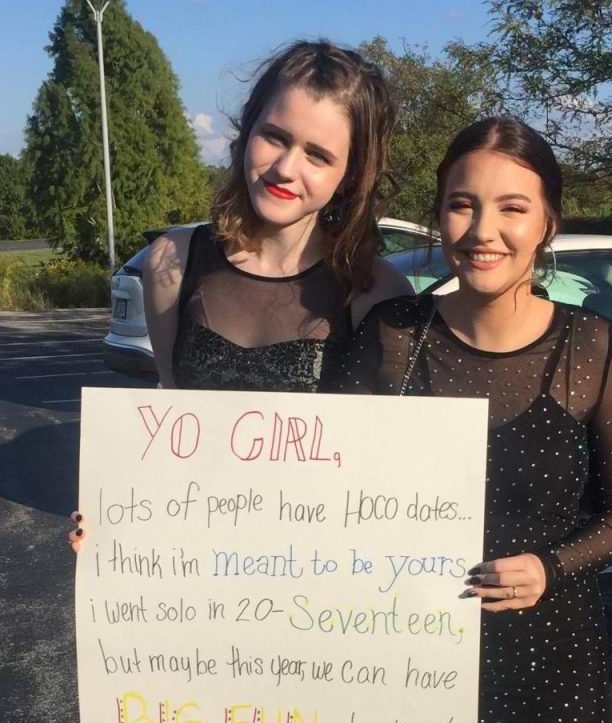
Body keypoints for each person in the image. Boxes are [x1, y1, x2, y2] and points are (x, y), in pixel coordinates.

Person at [337, 117, 612, 723]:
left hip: (549, 660)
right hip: (403, 654)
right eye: (462, 205)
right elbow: (309, 489)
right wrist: (132, 531)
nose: (483, 231)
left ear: (547, 224)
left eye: (512, 208)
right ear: (439, 217)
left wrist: (549, 566)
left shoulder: (591, 347)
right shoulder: (390, 336)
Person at [69, 40, 410, 550]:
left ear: (350, 176)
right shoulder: (172, 262)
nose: (286, 168)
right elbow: (172, 424)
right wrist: (114, 526)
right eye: (275, 136)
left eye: (318, 155)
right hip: (199, 572)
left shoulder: (375, 291)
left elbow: (393, 465)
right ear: (247, 130)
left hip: (326, 580)